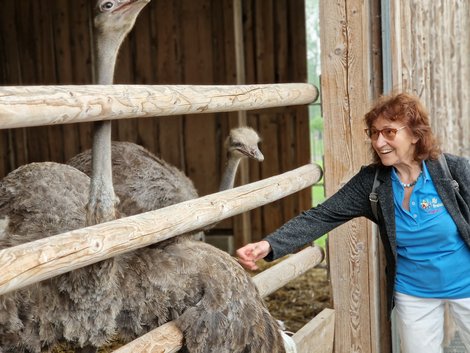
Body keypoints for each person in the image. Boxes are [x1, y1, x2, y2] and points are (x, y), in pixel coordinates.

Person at [236, 92, 470, 353]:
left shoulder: (454, 172)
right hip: (413, 292)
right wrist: (268, 245)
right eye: (373, 133)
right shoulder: (373, 183)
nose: (379, 142)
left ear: (415, 134)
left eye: (389, 132)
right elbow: (321, 215)